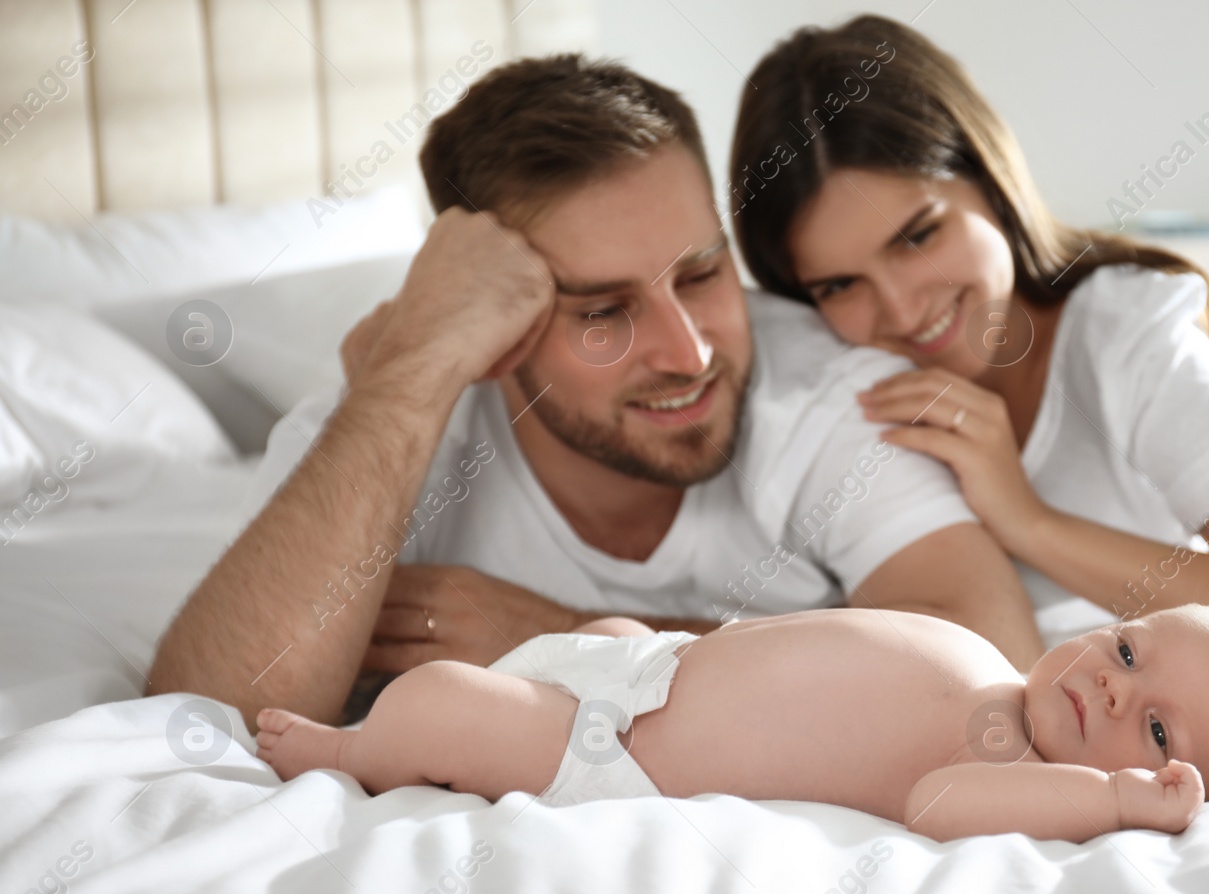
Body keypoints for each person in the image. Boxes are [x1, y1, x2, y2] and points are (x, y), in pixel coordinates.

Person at [146, 56, 1044, 732]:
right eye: (605, 311)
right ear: (498, 317)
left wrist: (577, 640)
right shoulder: (389, 422)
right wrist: (412, 372)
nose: (687, 351)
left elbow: (988, 668)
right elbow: (208, 714)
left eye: (699, 275)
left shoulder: (834, 392)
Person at [727, 16, 1209, 638]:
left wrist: (1030, 521)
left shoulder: (1123, 343)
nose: (902, 311)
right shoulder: (830, 391)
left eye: (918, 235)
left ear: (989, 178)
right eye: (839, 284)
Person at [254, 603, 1209, 843]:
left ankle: (349, 748)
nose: (1112, 688)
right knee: (583, 633)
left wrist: (1113, 802)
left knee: (443, 698)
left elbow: (937, 803)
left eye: (1156, 733)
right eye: (1126, 649)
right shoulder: (999, 674)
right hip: (647, 663)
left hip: (615, 752)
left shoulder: (998, 759)